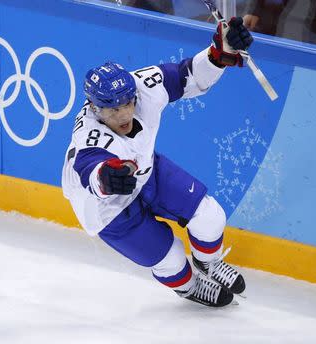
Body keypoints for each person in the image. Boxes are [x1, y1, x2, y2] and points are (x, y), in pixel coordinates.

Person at [62, 17, 253, 307]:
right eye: (113, 110)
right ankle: (189, 287)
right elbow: (89, 168)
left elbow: (189, 75)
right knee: (172, 259)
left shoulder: (144, 86)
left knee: (211, 217)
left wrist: (219, 53)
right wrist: (106, 177)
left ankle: (209, 263)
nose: (125, 114)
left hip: (146, 170)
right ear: (95, 108)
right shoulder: (88, 134)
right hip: (107, 207)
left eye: (128, 103)